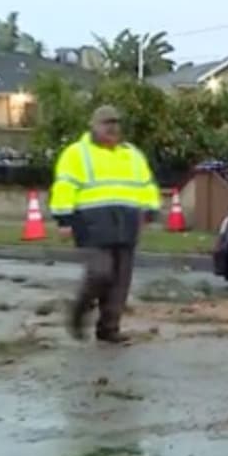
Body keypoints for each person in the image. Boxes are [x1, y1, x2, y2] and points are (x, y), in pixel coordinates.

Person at [49, 106, 160, 344]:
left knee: (120, 281)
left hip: (126, 225)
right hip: (91, 226)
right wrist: (63, 220)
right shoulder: (77, 153)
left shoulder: (132, 154)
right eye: (107, 123)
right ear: (94, 125)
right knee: (100, 273)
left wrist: (150, 210)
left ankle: (109, 328)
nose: (112, 128)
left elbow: (146, 185)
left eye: (116, 123)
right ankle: (80, 310)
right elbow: (64, 187)